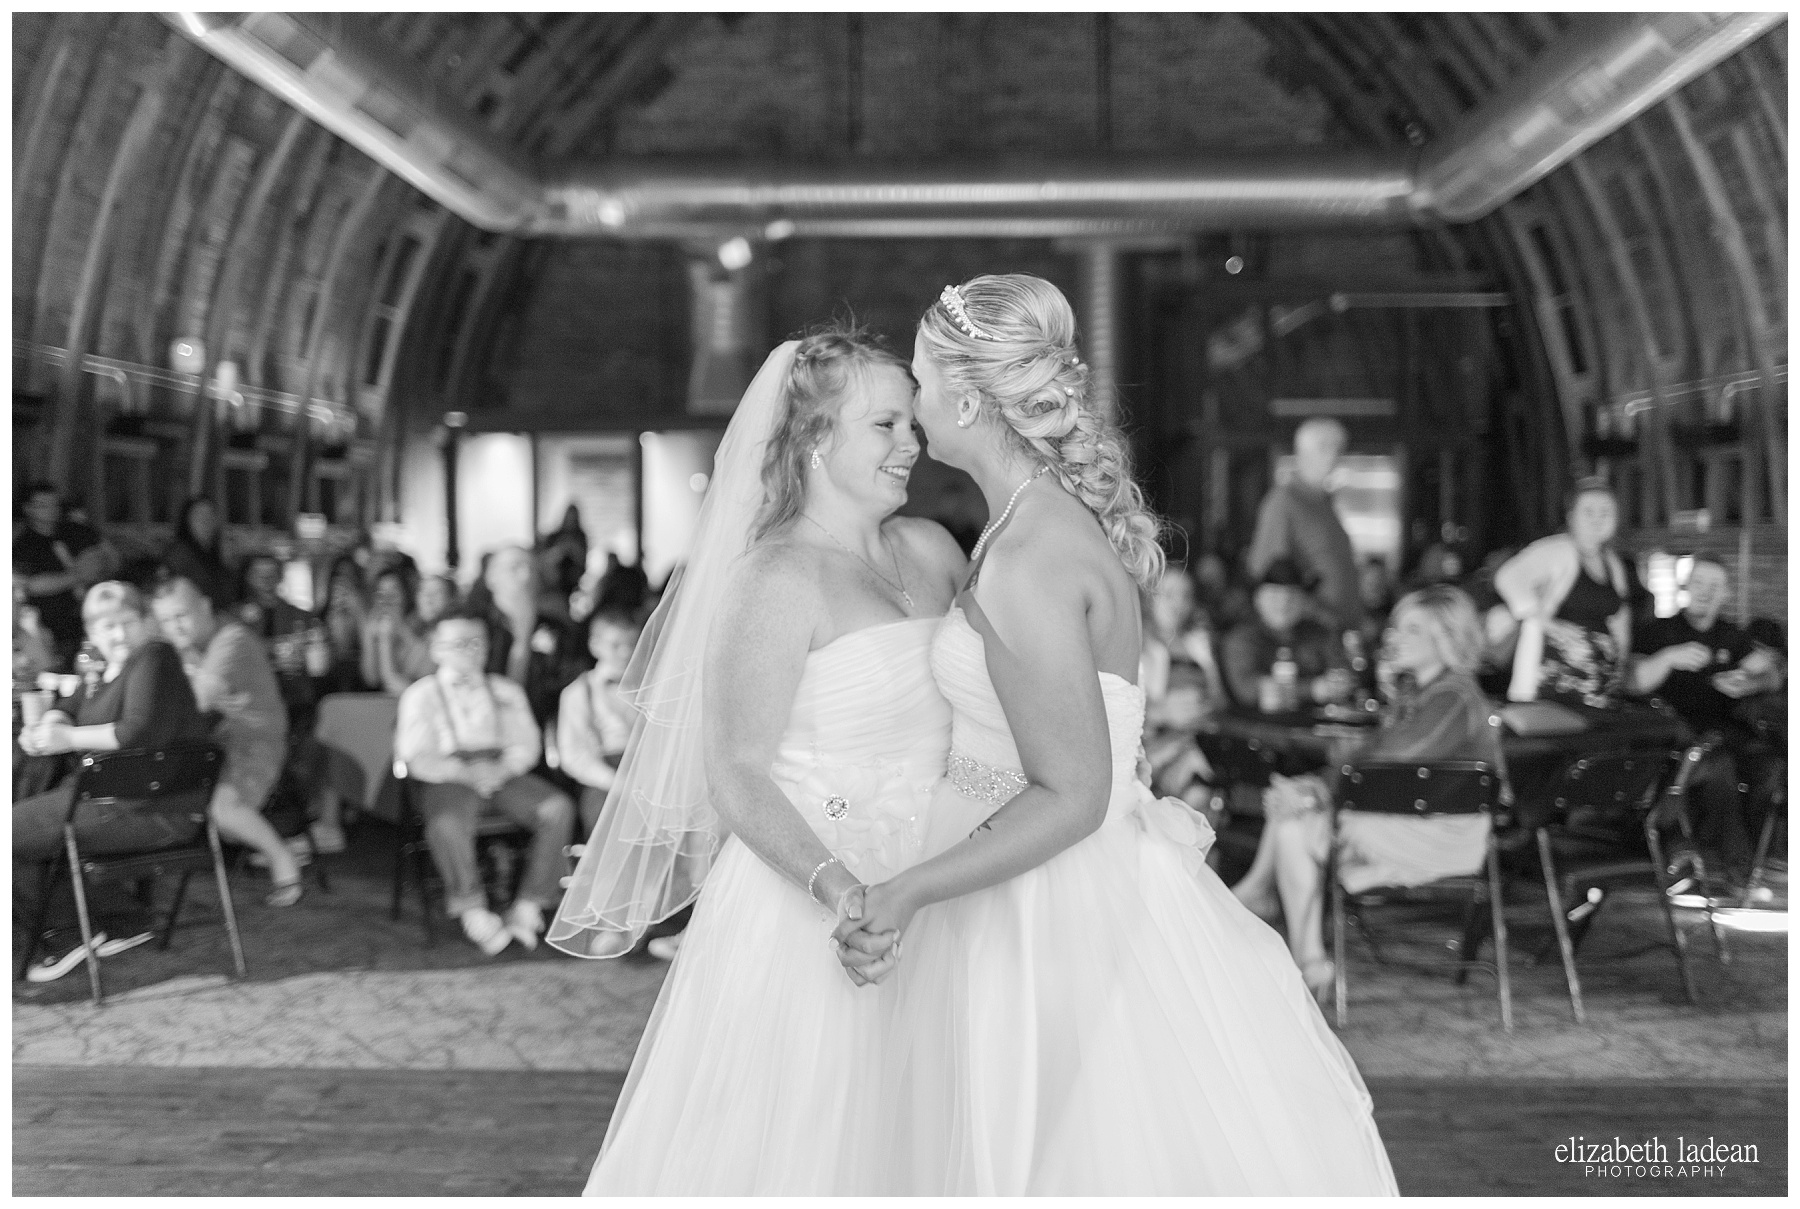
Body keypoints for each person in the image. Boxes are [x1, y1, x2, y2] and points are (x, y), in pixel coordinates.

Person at [834, 275, 1395, 1193]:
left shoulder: (1026, 558)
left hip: (1039, 904)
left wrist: (907, 890)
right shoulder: (1036, 521)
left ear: (970, 396)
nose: (914, 395)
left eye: (924, 377)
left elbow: (1073, 790)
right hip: (1054, 875)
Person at [549, 326, 967, 1193]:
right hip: (814, 901)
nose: (912, 444)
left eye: (912, 424)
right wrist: (847, 894)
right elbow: (736, 769)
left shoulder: (933, 549)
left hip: (947, 881)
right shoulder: (774, 577)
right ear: (815, 438)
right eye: (885, 426)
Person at [1231, 585, 1505, 1001]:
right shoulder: (1424, 695)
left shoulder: (1455, 696)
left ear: (1446, 639)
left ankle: (1270, 911)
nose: (1395, 636)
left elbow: (1389, 760)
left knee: (1294, 816)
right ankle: (1308, 958)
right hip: (1403, 824)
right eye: (1396, 627)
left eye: (1412, 629)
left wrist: (1318, 791)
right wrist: (1317, 788)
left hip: (1443, 839)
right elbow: (1374, 764)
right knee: (1293, 812)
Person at [16, 583, 214, 971]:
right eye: (107, 627)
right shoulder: (102, 669)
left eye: (127, 622)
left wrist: (66, 739)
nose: (118, 634)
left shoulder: (155, 657)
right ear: (92, 632)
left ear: (145, 623)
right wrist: (47, 728)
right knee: (25, 827)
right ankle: (122, 919)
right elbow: (68, 706)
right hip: (112, 799)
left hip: (153, 808)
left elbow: (137, 732)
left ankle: (69, 932)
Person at [394, 608, 579, 956]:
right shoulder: (421, 695)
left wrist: (502, 770)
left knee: (557, 808)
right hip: (449, 775)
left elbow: (526, 743)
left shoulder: (505, 689)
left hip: (501, 772)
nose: (471, 650)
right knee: (446, 823)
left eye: (477, 642)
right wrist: (465, 773)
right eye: (459, 643)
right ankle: (472, 907)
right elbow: (416, 755)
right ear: (436, 649)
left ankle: (529, 903)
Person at [1631, 556, 1784, 891]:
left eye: (1714, 586)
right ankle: (1736, 869)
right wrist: (1669, 657)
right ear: (1685, 587)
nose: (1705, 592)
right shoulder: (1658, 631)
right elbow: (1633, 681)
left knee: (1772, 767)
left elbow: (1773, 673)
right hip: (1674, 735)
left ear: (1725, 594)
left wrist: (1750, 682)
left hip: (1726, 732)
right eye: (1699, 583)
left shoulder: (1732, 636)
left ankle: (1745, 856)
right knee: (1720, 769)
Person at [151, 577, 306, 905]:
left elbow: (197, 703)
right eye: (164, 621)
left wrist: (193, 686)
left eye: (181, 616)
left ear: (205, 607)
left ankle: (283, 859)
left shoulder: (232, 640)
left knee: (224, 809)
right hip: (216, 740)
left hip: (255, 742)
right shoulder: (191, 647)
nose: (173, 628)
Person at [1492, 477, 1634, 712]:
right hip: (1554, 685)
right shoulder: (1557, 550)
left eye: (1606, 512)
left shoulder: (1613, 563)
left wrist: (1620, 664)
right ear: (1571, 517)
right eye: (1588, 511)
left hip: (1599, 688)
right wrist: (1545, 622)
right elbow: (1508, 577)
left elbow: (1619, 617)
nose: (1597, 519)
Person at [1246, 418, 1363, 633]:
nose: (1333, 457)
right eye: (1324, 448)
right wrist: (1308, 610)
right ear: (1302, 452)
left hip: (1341, 628)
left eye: (1338, 449)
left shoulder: (1325, 503)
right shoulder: (1284, 501)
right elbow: (1268, 573)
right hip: (1310, 633)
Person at [470, 545, 588, 734]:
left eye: (532, 569)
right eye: (515, 568)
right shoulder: (475, 626)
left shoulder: (556, 628)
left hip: (542, 724)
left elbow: (572, 679)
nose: (526, 576)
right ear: (491, 578)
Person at [1139, 564, 1227, 808]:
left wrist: (1204, 707)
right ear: (1150, 598)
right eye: (1169, 595)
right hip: (1152, 745)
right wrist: (1162, 711)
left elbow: (1220, 699)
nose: (1177, 603)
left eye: (1185, 596)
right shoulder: (1138, 644)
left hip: (1199, 737)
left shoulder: (1198, 644)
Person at [1220, 556, 1357, 711]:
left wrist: (1339, 683)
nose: (1283, 604)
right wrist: (1311, 689)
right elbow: (1248, 690)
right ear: (1258, 599)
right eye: (1275, 596)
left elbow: (1342, 671)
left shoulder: (1318, 633)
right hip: (1259, 729)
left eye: (1291, 596)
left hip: (1319, 725)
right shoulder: (1242, 638)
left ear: (1304, 601)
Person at [555, 609, 643, 835]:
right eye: (615, 645)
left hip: (649, 769)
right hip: (605, 777)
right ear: (595, 645)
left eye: (632, 643)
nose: (626, 652)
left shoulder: (652, 686)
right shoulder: (577, 693)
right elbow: (574, 756)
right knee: (606, 819)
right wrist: (616, 782)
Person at [14, 483, 110, 661]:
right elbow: (30, 585)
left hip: (91, 622)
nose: (51, 510)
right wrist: (77, 576)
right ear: (28, 509)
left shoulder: (75, 531)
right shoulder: (22, 545)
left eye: (55, 504)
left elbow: (102, 560)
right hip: (53, 627)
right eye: (43, 505)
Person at [361, 566, 436, 694]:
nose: (387, 598)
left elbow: (421, 673)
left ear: (406, 594)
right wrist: (371, 638)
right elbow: (371, 679)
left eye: (394, 590)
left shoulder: (422, 626)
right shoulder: (376, 627)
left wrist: (399, 630)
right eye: (381, 593)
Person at [162, 496, 234, 612]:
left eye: (210, 516)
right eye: (199, 516)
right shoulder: (179, 554)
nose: (206, 521)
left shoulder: (217, 553)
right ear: (187, 521)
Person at [316, 554, 370, 694]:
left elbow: (368, 646)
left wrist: (358, 610)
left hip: (361, 685)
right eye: (338, 576)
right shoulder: (320, 617)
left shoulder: (366, 614)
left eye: (349, 577)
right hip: (327, 685)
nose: (343, 583)